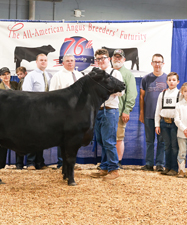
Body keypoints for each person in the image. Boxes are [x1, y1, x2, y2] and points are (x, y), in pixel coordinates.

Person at [90, 48, 123, 180]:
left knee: (109, 141)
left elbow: (121, 92)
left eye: (103, 58)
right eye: (98, 59)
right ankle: (104, 167)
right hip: (97, 110)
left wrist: (106, 90)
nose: (101, 61)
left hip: (110, 110)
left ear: (108, 59)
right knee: (101, 140)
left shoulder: (115, 73)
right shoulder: (95, 74)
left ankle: (114, 169)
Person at [49, 54, 83, 169]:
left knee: (74, 138)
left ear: (75, 62)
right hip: (63, 112)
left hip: (77, 112)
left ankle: (72, 162)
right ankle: (61, 163)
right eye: (67, 61)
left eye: (72, 61)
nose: (70, 63)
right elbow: (52, 95)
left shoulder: (79, 75)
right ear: (63, 63)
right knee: (62, 138)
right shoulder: (57, 76)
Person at [22, 53, 52, 170]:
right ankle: (30, 162)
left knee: (42, 136)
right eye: (41, 60)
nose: (43, 62)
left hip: (45, 110)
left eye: (45, 60)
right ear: (36, 62)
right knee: (32, 136)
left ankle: (40, 162)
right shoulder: (31, 76)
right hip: (33, 110)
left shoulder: (49, 76)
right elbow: (26, 93)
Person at [139, 54, 167, 171]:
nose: (157, 64)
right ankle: (149, 164)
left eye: (159, 62)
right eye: (155, 62)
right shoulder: (146, 78)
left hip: (162, 116)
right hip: (149, 115)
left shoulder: (167, 78)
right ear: (151, 63)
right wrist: (141, 113)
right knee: (149, 141)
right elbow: (141, 97)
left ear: (163, 64)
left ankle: (160, 164)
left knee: (162, 141)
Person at [111, 49, 137, 169]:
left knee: (118, 138)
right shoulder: (107, 72)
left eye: (119, 57)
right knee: (108, 138)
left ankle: (118, 162)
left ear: (124, 60)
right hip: (107, 111)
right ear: (111, 59)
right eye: (115, 57)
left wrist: (126, 110)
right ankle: (109, 162)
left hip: (119, 112)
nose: (117, 59)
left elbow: (132, 93)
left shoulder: (127, 74)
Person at [154, 72, 182, 176]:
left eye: (174, 80)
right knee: (166, 146)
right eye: (169, 80)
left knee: (175, 146)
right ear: (166, 81)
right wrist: (157, 124)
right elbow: (158, 110)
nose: (171, 82)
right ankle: (167, 167)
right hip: (164, 123)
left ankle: (174, 168)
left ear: (178, 82)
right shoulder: (162, 94)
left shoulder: (180, 94)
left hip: (175, 123)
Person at [0, 67, 18, 169]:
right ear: (0, 77)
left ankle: (19, 164)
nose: (6, 76)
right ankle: (1, 165)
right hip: (4, 117)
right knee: (3, 141)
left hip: (16, 116)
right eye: (3, 74)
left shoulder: (15, 85)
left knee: (18, 140)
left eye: (7, 74)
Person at [15, 66, 27, 169]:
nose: (19, 76)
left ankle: (20, 163)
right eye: (18, 74)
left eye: (21, 74)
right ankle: (19, 163)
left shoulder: (24, 82)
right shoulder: (18, 83)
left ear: (25, 73)